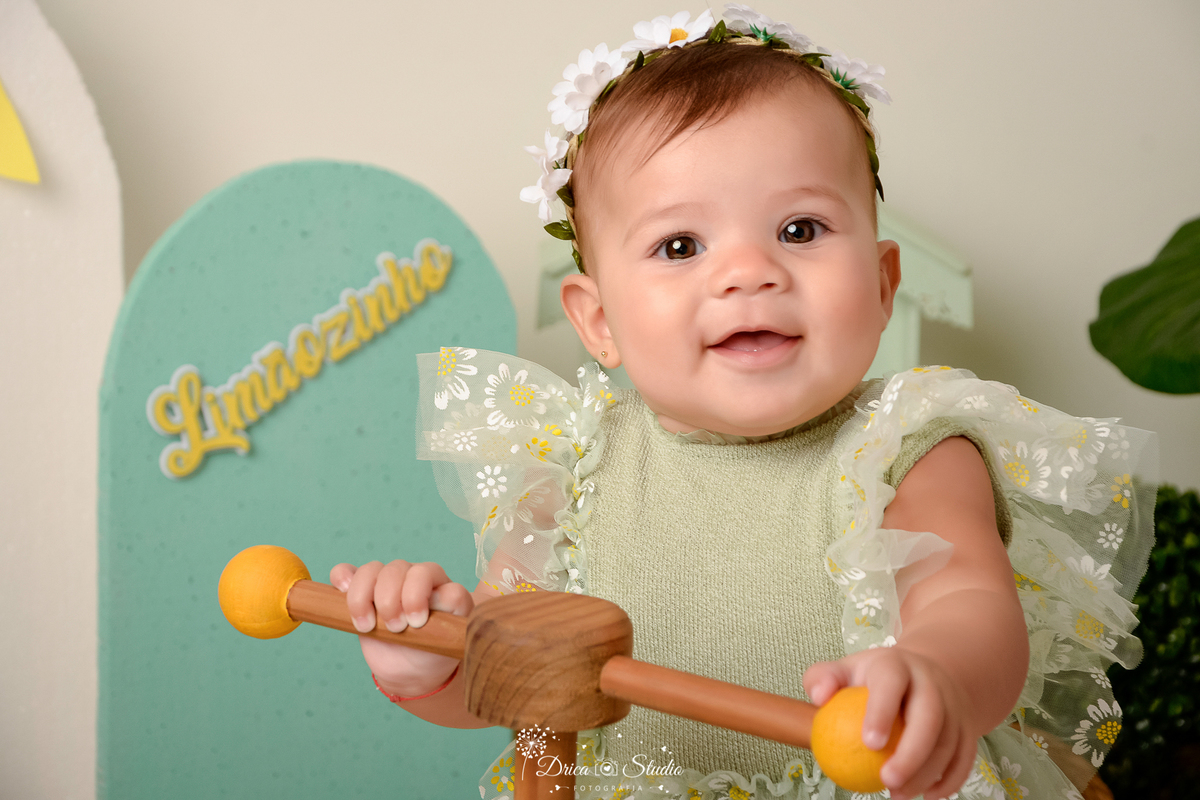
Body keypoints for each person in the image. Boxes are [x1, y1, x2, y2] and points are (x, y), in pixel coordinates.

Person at [331, 6, 1156, 799]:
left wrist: (935, 674)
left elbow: (970, 603)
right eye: (680, 245)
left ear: (880, 285)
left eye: (799, 229)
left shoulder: (907, 451)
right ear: (599, 321)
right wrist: (429, 663)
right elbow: (518, 689)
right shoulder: (572, 471)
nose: (747, 272)